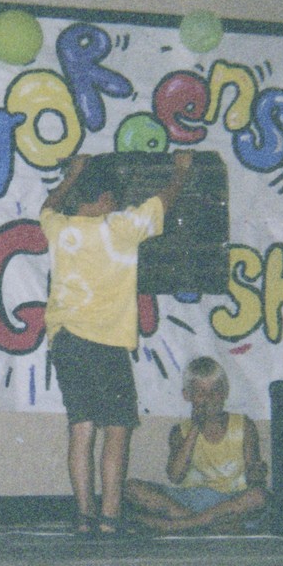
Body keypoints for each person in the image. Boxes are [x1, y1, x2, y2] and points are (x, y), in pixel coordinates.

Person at [41, 150, 191, 536]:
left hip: (66, 340)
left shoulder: (58, 227)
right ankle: (109, 519)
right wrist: (180, 170)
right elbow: (164, 201)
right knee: (117, 430)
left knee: (81, 429)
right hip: (105, 343)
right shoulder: (119, 227)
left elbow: (49, 204)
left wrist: (72, 174)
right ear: (107, 198)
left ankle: (84, 516)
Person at [124, 356, 269, 533]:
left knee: (258, 497)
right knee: (131, 488)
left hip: (230, 500)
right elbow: (175, 476)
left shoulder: (243, 425)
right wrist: (195, 428)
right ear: (188, 395)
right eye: (201, 392)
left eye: (215, 391)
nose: (209, 398)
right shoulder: (180, 431)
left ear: (225, 393)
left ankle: (180, 525)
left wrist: (257, 473)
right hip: (190, 500)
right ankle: (211, 526)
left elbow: (254, 479)